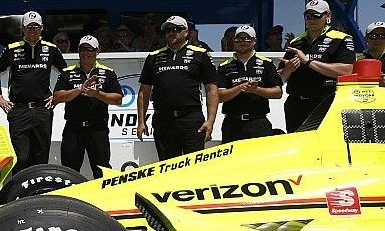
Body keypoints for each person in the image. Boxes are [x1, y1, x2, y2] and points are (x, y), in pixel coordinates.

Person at [136, 15, 219, 160]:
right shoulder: (154, 56)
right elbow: (144, 92)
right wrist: (141, 122)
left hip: (191, 120)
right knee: (167, 169)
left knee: (194, 168)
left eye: (176, 29)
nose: (171, 32)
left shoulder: (201, 54)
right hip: (163, 120)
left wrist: (211, 121)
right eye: (168, 30)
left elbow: (212, 89)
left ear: (186, 32)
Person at [0, 11, 67, 173]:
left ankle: (38, 196)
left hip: (42, 109)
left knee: (41, 158)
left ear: (42, 28)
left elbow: (66, 74)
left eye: (36, 26)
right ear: (22, 29)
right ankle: (19, 195)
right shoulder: (12, 49)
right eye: (29, 27)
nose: (32, 30)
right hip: (19, 110)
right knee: (21, 158)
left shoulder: (51, 49)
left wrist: (56, 96)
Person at [278, 0, 355, 132]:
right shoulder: (296, 42)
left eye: (317, 15)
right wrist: (288, 69)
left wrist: (308, 62)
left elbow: (347, 70)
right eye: (308, 16)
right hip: (295, 104)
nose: (312, 19)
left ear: (328, 16)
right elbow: (279, 79)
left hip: (325, 102)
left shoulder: (341, 39)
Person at [53, 35, 122, 178]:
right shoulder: (68, 72)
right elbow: (57, 97)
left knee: (102, 170)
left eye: (90, 49)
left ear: (98, 51)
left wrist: (98, 94)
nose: (86, 53)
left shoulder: (108, 72)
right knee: (69, 171)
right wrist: (79, 90)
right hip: (73, 128)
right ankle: (68, 200)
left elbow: (118, 99)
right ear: (78, 51)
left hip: (98, 128)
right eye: (82, 49)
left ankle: (103, 200)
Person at [216, 25, 283, 143]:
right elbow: (219, 96)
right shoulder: (224, 66)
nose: (243, 42)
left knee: (261, 160)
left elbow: (277, 92)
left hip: (258, 122)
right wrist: (240, 88)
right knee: (233, 161)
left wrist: (256, 90)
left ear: (254, 41)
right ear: (233, 41)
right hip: (232, 124)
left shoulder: (267, 64)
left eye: (247, 39)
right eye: (239, 39)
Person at [358, 21, 385, 86]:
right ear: (366, 39)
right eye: (373, 36)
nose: (378, 39)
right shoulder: (357, 59)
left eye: (383, 36)